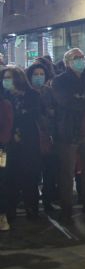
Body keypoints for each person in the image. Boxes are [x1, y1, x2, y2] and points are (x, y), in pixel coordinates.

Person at [51, 48, 85, 219]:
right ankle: (66, 205)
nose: (80, 60)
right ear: (67, 62)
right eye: (76, 58)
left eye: (82, 57)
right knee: (67, 172)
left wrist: (82, 99)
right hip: (69, 132)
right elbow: (66, 102)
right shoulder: (60, 81)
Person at [0, 67, 44, 221]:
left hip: (28, 142)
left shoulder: (32, 95)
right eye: (5, 77)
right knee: (8, 178)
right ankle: (9, 211)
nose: (7, 80)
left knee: (30, 177)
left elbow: (35, 114)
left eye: (9, 77)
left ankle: (32, 209)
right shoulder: (3, 96)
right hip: (6, 144)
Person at [26, 62, 57, 212]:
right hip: (31, 139)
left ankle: (47, 200)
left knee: (50, 171)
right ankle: (31, 205)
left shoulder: (49, 91)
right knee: (32, 173)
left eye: (41, 74)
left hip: (49, 136)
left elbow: (55, 111)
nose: (39, 77)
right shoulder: (26, 93)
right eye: (36, 75)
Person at [0, 97, 14, 230]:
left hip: (1, 150)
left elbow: (6, 130)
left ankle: (2, 216)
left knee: (1, 180)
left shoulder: (5, 104)